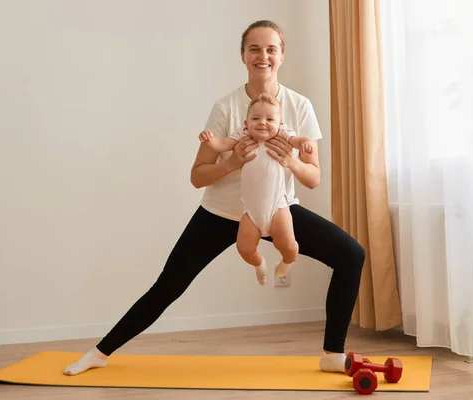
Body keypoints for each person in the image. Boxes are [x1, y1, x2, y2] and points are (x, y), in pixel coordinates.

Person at [63, 19, 365, 377]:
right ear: (242, 56)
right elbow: (197, 176)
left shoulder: (300, 106)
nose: (262, 56)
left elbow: (313, 177)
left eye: (271, 49)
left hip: (277, 208)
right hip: (222, 213)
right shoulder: (226, 109)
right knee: (169, 285)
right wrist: (232, 163)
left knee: (351, 255)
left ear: (282, 56)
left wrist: (292, 163)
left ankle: (333, 354)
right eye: (254, 48)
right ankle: (100, 352)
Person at [198, 92, 315, 286]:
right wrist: (210, 140)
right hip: (250, 212)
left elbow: (296, 140)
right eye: (255, 118)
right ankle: (259, 264)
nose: (262, 123)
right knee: (244, 248)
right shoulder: (242, 134)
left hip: (278, 207)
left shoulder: (282, 134)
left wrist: (304, 142)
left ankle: (286, 263)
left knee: (290, 247)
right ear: (246, 123)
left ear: (280, 123)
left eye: (270, 119)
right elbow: (223, 144)